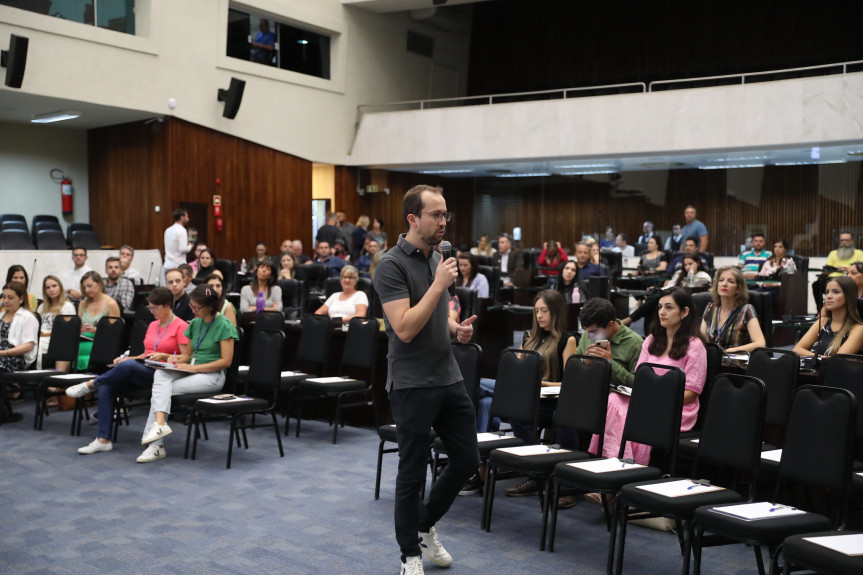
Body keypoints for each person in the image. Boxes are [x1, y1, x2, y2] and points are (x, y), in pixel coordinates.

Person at [373, 184, 478, 575]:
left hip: (447, 377)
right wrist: (438, 285)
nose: (444, 222)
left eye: (446, 214)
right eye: (436, 214)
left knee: (468, 459)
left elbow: (434, 316)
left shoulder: (439, 257)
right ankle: (409, 555)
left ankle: (424, 525)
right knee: (413, 471)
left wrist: (455, 329)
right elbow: (403, 327)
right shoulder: (391, 265)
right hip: (412, 383)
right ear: (413, 219)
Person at [590, 289, 707, 469]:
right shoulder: (651, 340)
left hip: (675, 406)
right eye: (660, 307)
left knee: (631, 414)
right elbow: (641, 379)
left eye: (669, 308)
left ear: (684, 312)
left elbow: (691, 393)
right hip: (647, 400)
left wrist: (657, 398)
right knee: (613, 400)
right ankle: (609, 467)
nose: (662, 312)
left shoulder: (694, 346)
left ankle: (627, 470)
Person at [66, 287, 190, 454]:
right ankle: (103, 439)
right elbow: (145, 354)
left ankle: (91, 383)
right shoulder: (153, 325)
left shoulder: (181, 326)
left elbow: (186, 356)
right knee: (107, 387)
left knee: (127, 367)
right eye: (150, 308)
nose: (151, 311)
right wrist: (127, 358)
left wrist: (164, 355)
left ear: (167, 306)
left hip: (163, 375)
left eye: (155, 308)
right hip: (144, 369)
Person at [137, 285, 238, 463]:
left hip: (212, 376)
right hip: (192, 370)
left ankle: (156, 446)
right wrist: (175, 360)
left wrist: (194, 368)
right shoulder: (196, 323)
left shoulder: (224, 324)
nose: (192, 310)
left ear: (209, 307)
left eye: (195, 308)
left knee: (163, 390)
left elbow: (226, 361)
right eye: (191, 306)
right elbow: (187, 355)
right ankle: (159, 425)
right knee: (161, 375)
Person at [503, 290, 579, 497]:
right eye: (536, 311)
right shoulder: (528, 336)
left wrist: (543, 383)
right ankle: (539, 470)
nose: (539, 316)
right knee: (512, 407)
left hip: (554, 401)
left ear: (555, 312)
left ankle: (544, 474)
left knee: (560, 417)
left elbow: (569, 383)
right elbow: (519, 369)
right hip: (529, 397)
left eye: (544, 311)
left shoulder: (567, 339)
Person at [622, 256, 711, 327]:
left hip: (687, 301)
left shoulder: (704, 276)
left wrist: (689, 278)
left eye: (690, 264)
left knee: (655, 301)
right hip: (672, 297)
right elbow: (670, 286)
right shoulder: (680, 273)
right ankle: (649, 334)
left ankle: (630, 319)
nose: (687, 267)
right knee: (653, 304)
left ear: (698, 263)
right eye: (685, 265)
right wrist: (658, 289)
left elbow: (701, 290)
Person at [793, 276, 863, 358]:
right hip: (813, 370)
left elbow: (837, 360)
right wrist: (822, 358)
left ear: (849, 296)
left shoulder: (858, 328)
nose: (828, 296)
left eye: (836, 292)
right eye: (826, 292)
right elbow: (796, 350)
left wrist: (813, 357)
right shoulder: (823, 321)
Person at [700, 267, 766, 353]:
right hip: (710, 361)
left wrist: (731, 351)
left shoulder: (746, 310)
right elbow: (699, 340)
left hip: (735, 362)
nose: (724, 284)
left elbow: (761, 343)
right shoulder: (710, 308)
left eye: (730, 281)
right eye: (721, 280)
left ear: (738, 289)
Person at [76, 271, 122, 370]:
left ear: (99, 284)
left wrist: (96, 330)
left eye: (90, 286)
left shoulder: (111, 304)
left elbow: (115, 334)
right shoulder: (83, 303)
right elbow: (78, 325)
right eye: (84, 287)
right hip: (83, 340)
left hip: (101, 343)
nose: (87, 290)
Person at [35, 276, 76, 370]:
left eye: (54, 286)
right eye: (48, 287)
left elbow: (68, 331)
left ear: (60, 287)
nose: (51, 290)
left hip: (57, 340)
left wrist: (46, 334)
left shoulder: (67, 306)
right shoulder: (41, 307)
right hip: (40, 338)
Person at [0, 281, 39, 374]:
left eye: (10, 298)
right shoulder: (1, 315)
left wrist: (4, 353)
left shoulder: (28, 317)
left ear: (21, 299)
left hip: (15, 357)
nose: (6, 301)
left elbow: (29, 345)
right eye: (4, 297)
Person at [163, 208, 192, 286]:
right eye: (187, 216)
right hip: (178, 266)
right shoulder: (182, 230)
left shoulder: (168, 230)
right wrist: (190, 246)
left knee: (167, 292)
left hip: (167, 264)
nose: (188, 219)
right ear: (182, 217)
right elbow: (182, 249)